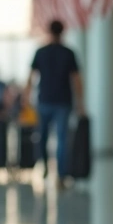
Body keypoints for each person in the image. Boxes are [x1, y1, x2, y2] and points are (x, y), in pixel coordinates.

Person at [25, 20, 83, 188]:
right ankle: (61, 175)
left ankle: (43, 166)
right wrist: (80, 103)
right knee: (62, 139)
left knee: (42, 137)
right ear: (63, 32)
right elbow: (77, 80)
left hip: (44, 101)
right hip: (63, 101)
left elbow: (31, 77)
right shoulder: (69, 53)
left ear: (49, 32)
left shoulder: (41, 52)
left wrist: (27, 98)